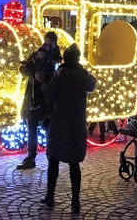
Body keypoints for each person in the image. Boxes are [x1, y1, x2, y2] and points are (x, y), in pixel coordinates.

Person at [41, 44, 97, 213]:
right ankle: (75, 201)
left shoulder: (60, 74)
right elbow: (92, 83)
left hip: (59, 123)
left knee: (53, 160)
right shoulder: (82, 75)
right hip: (76, 124)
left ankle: (50, 196)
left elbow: (49, 97)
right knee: (74, 164)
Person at [16, 33, 59, 170]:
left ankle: (52, 154)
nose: (48, 43)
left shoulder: (57, 58)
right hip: (34, 98)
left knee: (49, 128)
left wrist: (48, 81)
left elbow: (59, 77)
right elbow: (23, 69)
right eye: (46, 40)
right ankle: (31, 157)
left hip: (48, 99)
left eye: (51, 41)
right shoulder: (36, 55)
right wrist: (34, 72)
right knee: (32, 128)